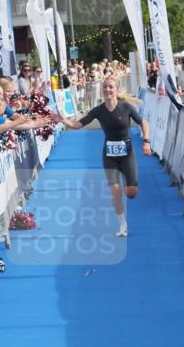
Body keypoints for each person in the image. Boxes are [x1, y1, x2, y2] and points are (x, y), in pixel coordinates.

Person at [58, 76, 151, 237]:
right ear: (102, 90)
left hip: (127, 154)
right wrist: (63, 120)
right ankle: (123, 226)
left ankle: (125, 185)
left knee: (131, 193)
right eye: (105, 87)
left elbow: (144, 123)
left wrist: (146, 141)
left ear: (116, 89)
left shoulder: (126, 107)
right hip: (109, 155)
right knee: (115, 192)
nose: (108, 90)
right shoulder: (98, 111)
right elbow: (77, 125)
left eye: (111, 87)